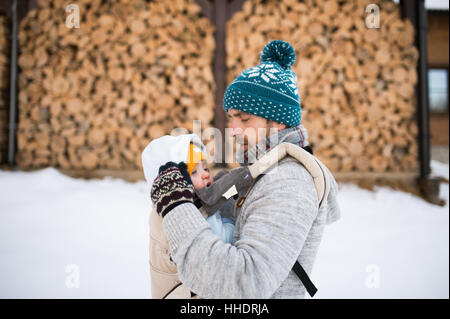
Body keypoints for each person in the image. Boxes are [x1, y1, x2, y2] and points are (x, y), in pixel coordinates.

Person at [150, 40, 341, 298]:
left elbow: (243, 284)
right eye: (232, 118)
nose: (234, 130)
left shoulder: (288, 182)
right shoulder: (262, 172)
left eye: (245, 119)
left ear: (279, 123)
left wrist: (177, 209)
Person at [142, 134, 234, 298]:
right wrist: (232, 215)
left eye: (206, 168)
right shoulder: (181, 214)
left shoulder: (185, 205)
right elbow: (222, 247)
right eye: (194, 171)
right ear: (173, 181)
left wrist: (227, 192)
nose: (206, 174)